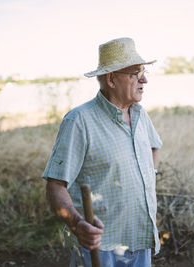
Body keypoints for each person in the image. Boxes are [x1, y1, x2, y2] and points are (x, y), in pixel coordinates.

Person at [43, 37, 162, 267]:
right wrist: (77, 225)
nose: (144, 79)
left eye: (143, 71)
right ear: (111, 79)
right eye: (135, 73)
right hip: (100, 248)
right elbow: (55, 185)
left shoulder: (140, 114)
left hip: (141, 238)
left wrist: (150, 175)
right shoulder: (79, 121)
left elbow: (154, 146)